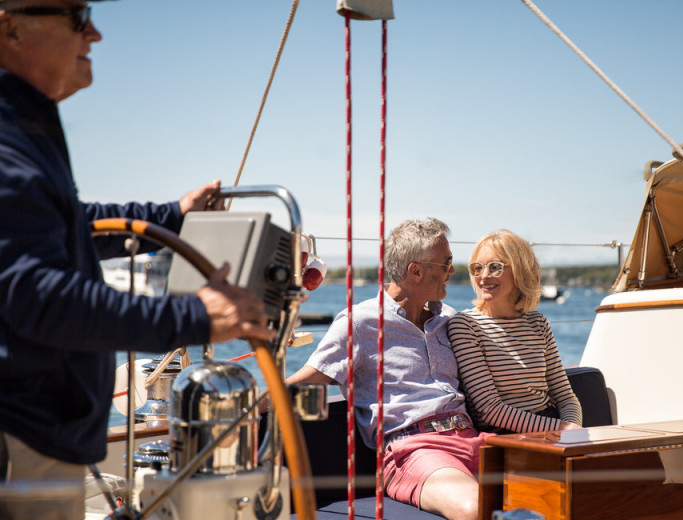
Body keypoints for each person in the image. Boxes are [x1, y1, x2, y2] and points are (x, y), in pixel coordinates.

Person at [0, 2, 275, 519]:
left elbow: (69, 221)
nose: (96, 34)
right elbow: (39, 298)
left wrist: (171, 216)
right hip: (21, 435)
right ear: (10, 27)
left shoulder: (23, 126)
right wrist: (194, 317)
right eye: (77, 18)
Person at [280, 218, 491, 520]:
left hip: (474, 438)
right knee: (476, 509)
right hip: (413, 451)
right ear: (415, 271)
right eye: (446, 264)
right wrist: (243, 407)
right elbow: (305, 380)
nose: (452, 272)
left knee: (561, 489)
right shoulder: (361, 323)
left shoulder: (450, 321)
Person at [447, 229, 582, 433]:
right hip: (503, 434)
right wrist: (562, 429)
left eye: (495, 267)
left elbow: (566, 397)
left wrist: (574, 429)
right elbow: (489, 410)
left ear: (520, 270)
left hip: (552, 426)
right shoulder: (465, 325)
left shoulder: (538, 323)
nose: (484, 276)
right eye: (477, 268)